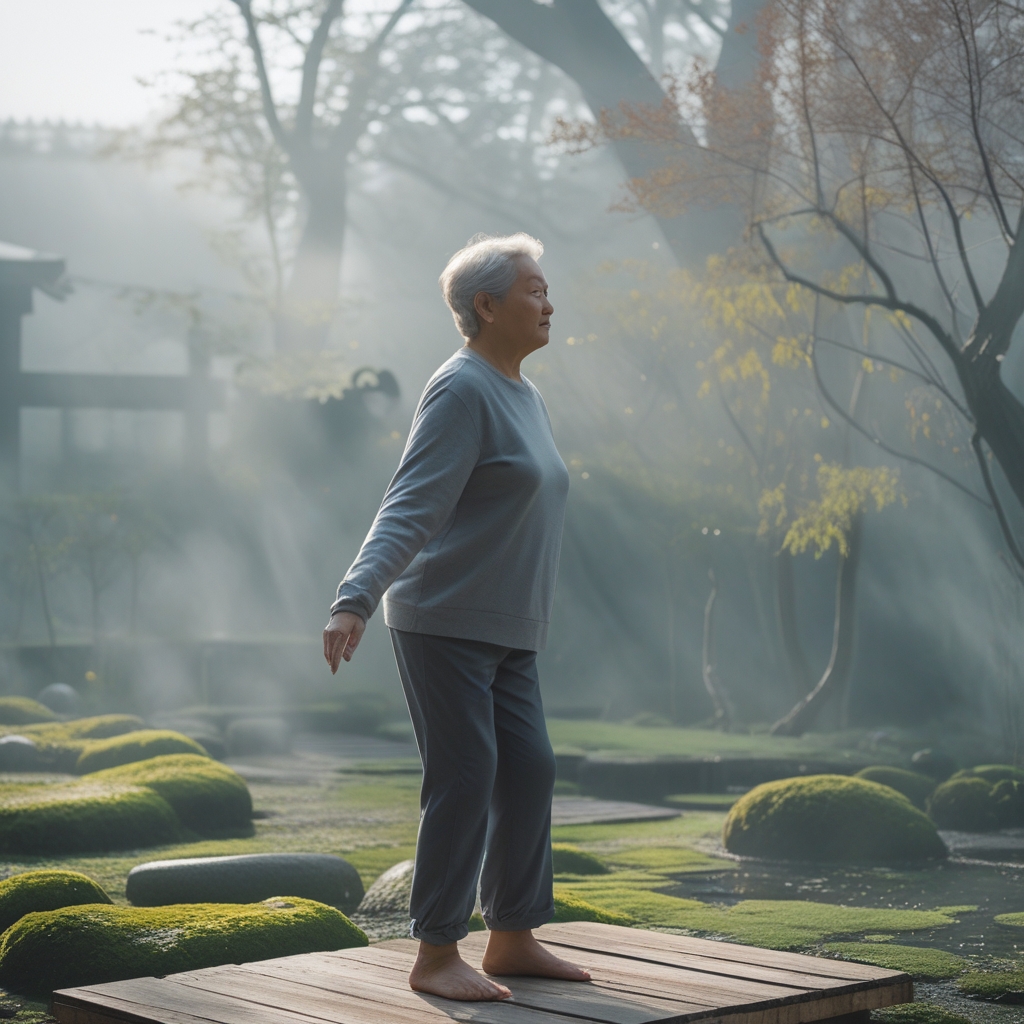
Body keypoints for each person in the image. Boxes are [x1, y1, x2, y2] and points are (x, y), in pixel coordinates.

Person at [323, 233, 590, 1001]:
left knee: (530, 768)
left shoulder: (525, 394)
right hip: (443, 621)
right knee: (467, 776)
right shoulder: (461, 387)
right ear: (487, 304)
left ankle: (512, 938)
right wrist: (355, 598)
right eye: (534, 289)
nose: (548, 302)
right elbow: (412, 504)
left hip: (509, 627)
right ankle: (436, 954)